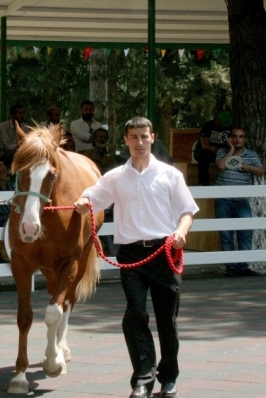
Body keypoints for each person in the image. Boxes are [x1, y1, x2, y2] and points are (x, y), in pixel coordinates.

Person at [74, 116, 198, 398]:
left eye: (144, 137)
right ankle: (143, 379)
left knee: (167, 319)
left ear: (152, 138)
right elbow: (90, 199)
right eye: (134, 137)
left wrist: (181, 230)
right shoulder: (115, 177)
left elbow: (186, 212)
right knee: (135, 315)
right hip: (130, 255)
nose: (139, 142)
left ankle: (168, 378)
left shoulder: (170, 175)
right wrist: (83, 203)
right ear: (126, 140)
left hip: (164, 251)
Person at [215, 127, 264, 277]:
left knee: (245, 233)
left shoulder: (251, 155)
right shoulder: (222, 152)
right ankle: (230, 267)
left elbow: (261, 171)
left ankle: (243, 267)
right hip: (223, 201)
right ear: (230, 138)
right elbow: (221, 166)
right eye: (234, 137)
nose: (237, 139)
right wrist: (230, 150)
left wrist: (249, 168)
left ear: (245, 139)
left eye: (241, 137)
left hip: (242, 201)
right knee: (226, 235)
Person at [193, 112, 232, 186]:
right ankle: (203, 183)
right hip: (208, 151)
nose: (223, 127)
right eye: (221, 125)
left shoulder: (230, 127)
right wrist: (213, 149)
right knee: (203, 156)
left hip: (224, 153)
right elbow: (204, 145)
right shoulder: (208, 125)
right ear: (217, 120)